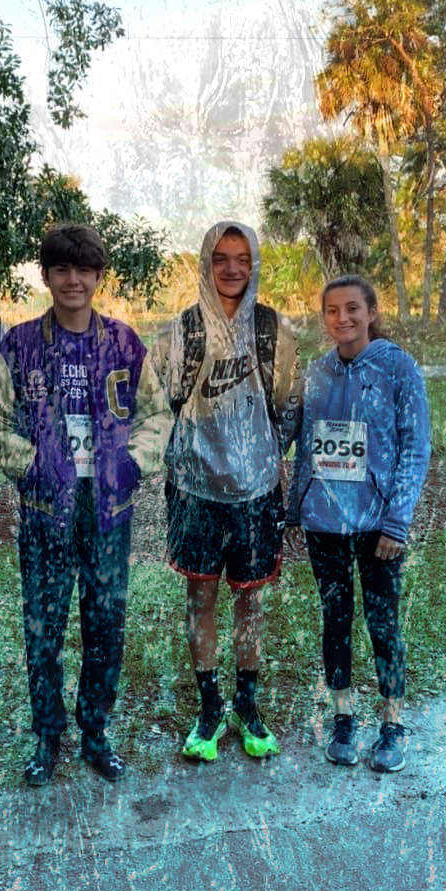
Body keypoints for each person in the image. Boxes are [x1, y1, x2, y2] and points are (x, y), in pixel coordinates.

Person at [0, 223, 170, 786]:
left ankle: (95, 732)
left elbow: (158, 416)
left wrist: (132, 463)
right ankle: (46, 736)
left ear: (99, 276)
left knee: (105, 624)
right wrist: (30, 462)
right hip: (45, 510)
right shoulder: (20, 345)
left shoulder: (124, 344)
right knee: (44, 628)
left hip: (107, 511)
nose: (73, 280)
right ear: (46, 276)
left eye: (84, 270)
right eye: (62, 269)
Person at [152, 220, 301, 762]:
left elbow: (289, 405)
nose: (232, 268)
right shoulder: (181, 331)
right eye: (221, 258)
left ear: (254, 263)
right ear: (205, 263)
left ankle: (247, 702)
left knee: (250, 600)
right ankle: (210, 706)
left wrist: (259, 454)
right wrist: (182, 454)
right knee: (201, 598)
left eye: (242, 258)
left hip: (255, 494)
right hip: (194, 492)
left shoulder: (273, 331)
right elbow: (156, 404)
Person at [286, 274, 430, 772]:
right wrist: (295, 511)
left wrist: (397, 522)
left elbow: (415, 448)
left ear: (371, 313)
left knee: (383, 622)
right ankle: (343, 716)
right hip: (324, 522)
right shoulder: (317, 372)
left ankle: (393, 722)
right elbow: (304, 446)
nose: (342, 318)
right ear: (324, 318)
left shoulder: (398, 367)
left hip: (378, 526)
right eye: (332, 310)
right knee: (336, 619)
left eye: (352, 308)